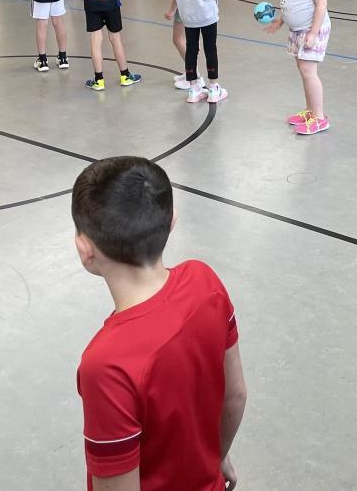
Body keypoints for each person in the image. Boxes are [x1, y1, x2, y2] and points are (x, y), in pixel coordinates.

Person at [73, 156, 246, 491]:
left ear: (85, 250)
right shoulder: (205, 282)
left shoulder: (106, 365)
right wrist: (215, 457)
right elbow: (235, 395)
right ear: (172, 221)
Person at [264, 0, 330, 135]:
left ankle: (319, 118)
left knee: (309, 72)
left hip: (312, 29)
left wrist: (313, 32)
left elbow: (321, 4)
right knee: (304, 72)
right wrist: (281, 19)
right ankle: (310, 111)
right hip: (297, 30)